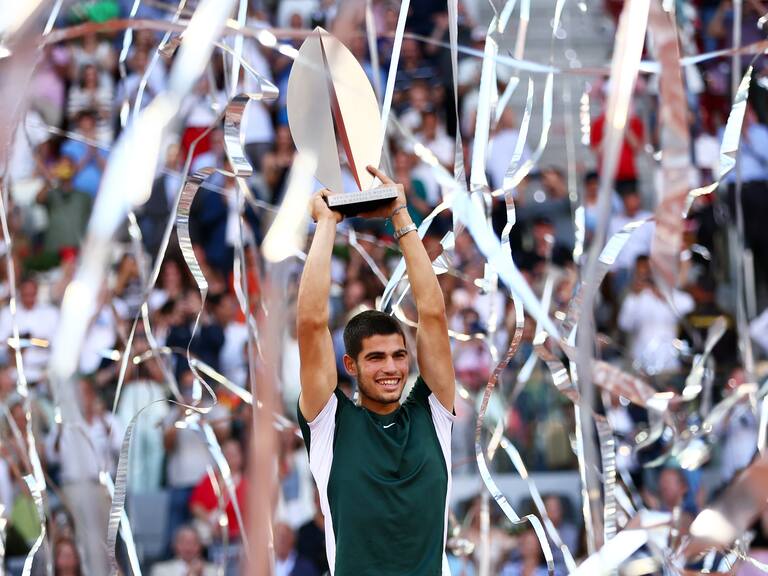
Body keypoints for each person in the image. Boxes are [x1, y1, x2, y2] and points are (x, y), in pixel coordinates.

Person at [296, 166, 455, 575]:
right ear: (349, 364)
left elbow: (433, 314)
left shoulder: (431, 413)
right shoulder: (329, 424)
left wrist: (400, 216)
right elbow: (312, 324)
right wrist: (327, 223)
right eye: (376, 357)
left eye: (399, 355)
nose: (392, 368)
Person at [150, 525, 216, 576]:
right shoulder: (160, 570)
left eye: (193, 543)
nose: (188, 547)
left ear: (200, 546)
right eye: (183, 542)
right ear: (174, 545)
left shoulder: (214, 571)